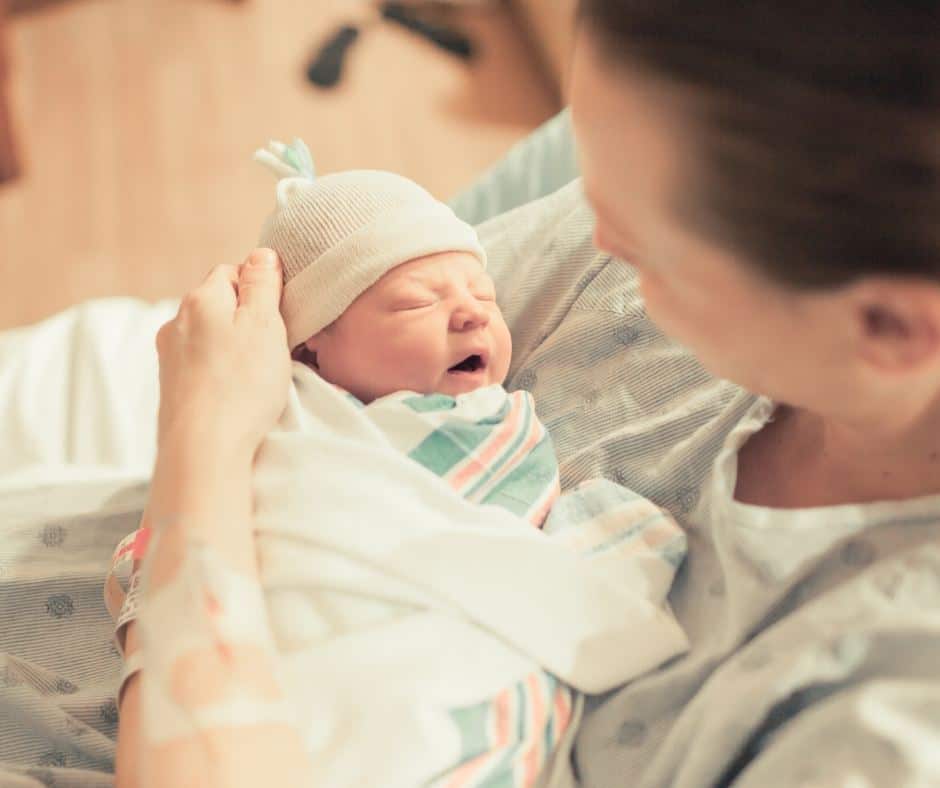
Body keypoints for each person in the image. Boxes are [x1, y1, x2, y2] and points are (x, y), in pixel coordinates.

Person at [116, 1, 940, 786]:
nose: (601, 236)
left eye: (653, 247)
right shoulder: (663, 191)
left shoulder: (869, 721)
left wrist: (203, 437)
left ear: (893, 331)